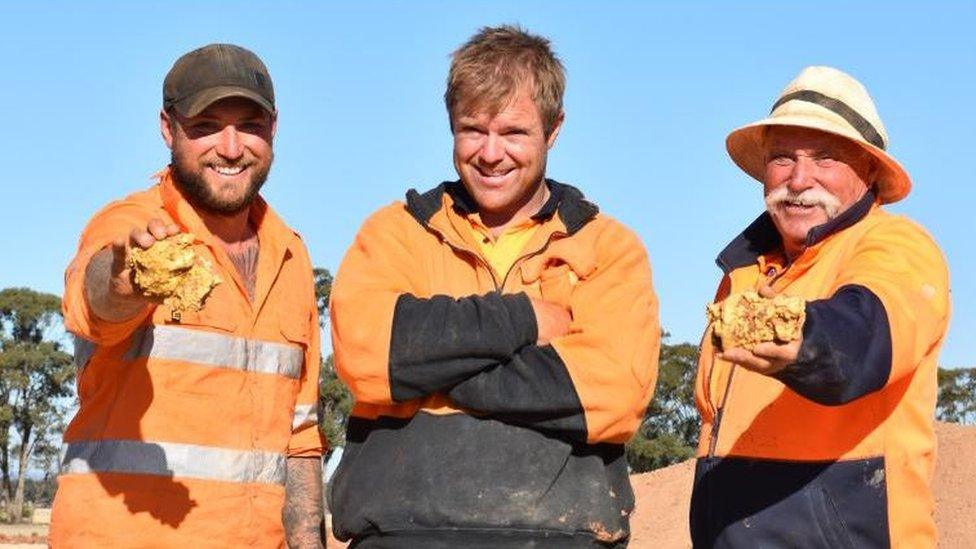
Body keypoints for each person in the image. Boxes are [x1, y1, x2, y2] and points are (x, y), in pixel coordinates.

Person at [328, 25, 660, 547]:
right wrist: (525, 319)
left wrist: (430, 367)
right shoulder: (396, 231)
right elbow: (368, 355)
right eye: (472, 129)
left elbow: (614, 393)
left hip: (563, 536)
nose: (490, 153)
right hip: (400, 535)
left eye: (513, 133)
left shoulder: (608, 248)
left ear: (554, 130)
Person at [51, 44, 325, 548]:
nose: (230, 146)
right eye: (205, 126)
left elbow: (301, 437)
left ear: (274, 128)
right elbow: (94, 306)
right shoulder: (131, 225)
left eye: (249, 124)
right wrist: (126, 280)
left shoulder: (291, 255)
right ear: (167, 127)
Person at [690, 66, 951, 547]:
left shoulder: (897, 245)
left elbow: (864, 332)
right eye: (783, 158)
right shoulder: (743, 273)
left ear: (869, 170)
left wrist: (797, 335)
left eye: (826, 158)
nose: (799, 179)